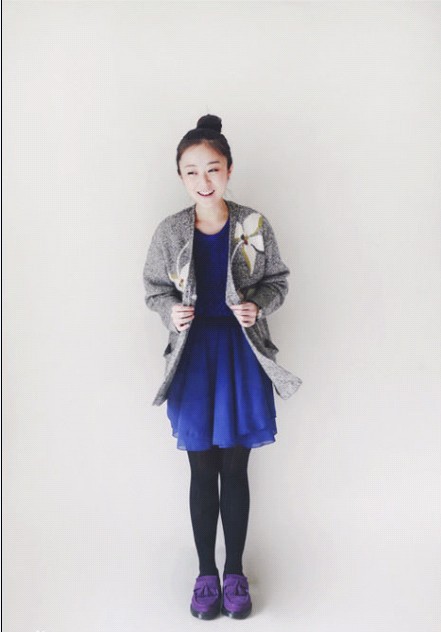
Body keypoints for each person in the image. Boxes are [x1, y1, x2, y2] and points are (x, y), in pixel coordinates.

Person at [143, 114, 302, 620]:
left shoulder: (252, 225)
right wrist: (171, 311)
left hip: (240, 356)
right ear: (181, 176)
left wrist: (258, 306)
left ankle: (234, 573)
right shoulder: (170, 231)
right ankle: (204, 575)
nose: (203, 180)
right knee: (200, 469)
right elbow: (154, 289)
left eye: (212, 168)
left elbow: (277, 280)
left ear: (229, 169)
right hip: (192, 360)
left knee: (235, 468)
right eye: (191, 171)